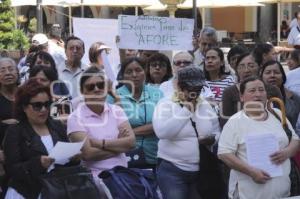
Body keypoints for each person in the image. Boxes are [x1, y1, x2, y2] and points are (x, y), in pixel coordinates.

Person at [218, 76, 299, 199]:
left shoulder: (277, 114)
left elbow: (295, 140)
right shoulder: (235, 122)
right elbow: (224, 153)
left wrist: (287, 152)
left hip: (283, 192)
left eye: (261, 90)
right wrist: (251, 172)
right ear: (242, 97)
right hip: (249, 194)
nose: (258, 94)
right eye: (252, 91)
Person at [153, 66, 220, 199]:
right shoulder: (165, 104)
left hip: (201, 169)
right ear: (179, 86)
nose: (195, 93)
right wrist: (185, 111)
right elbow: (162, 132)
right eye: (191, 89)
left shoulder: (204, 105)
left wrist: (212, 139)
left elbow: (217, 131)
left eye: (199, 89)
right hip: (172, 169)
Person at [3, 78, 78, 199]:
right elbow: (12, 169)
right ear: (24, 107)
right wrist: (38, 164)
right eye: (37, 105)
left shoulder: (57, 126)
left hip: (58, 189)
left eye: (47, 104)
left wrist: (75, 158)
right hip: (28, 192)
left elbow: (68, 161)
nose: (43, 109)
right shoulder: (15, 131)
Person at [67, 66, 135, 177]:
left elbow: (131, 142)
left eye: (100, 85)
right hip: (97, 178)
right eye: (90, 87)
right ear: (82, 91)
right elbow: (88, 154)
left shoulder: (117, 110)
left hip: (123, 175)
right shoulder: (75, 118)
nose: (96, 89)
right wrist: (119, 145)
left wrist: (100, 143)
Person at [108, 57, 163, 168]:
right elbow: (112, 128)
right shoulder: (113, 96)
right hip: (125, 157)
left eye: (138, 70)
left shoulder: (157, 93)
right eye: (129, 72)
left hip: (154, 155)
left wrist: (130, 132)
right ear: (122, 76)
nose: (134, 75)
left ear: (145, 72)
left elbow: (160, 124)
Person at [220, 53, 282, 127]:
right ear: (236, 70)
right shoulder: (229, 92)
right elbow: (225, 122)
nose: (246, 70)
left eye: (251, 66)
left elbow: (280, 117)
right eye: (241, 66)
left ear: (260, 68)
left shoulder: (274, 90)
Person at [261, 60, 300, 128]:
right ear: (261, 77)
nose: (272, 75)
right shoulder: (255, 97)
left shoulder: (294, 97)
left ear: (283, 77)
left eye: (276, 72)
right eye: (268, 73)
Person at [0, 57, 19, 196]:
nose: (7, 73)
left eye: (11, 69)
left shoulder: (26, 94)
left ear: (17, 72)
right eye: (2, 70)